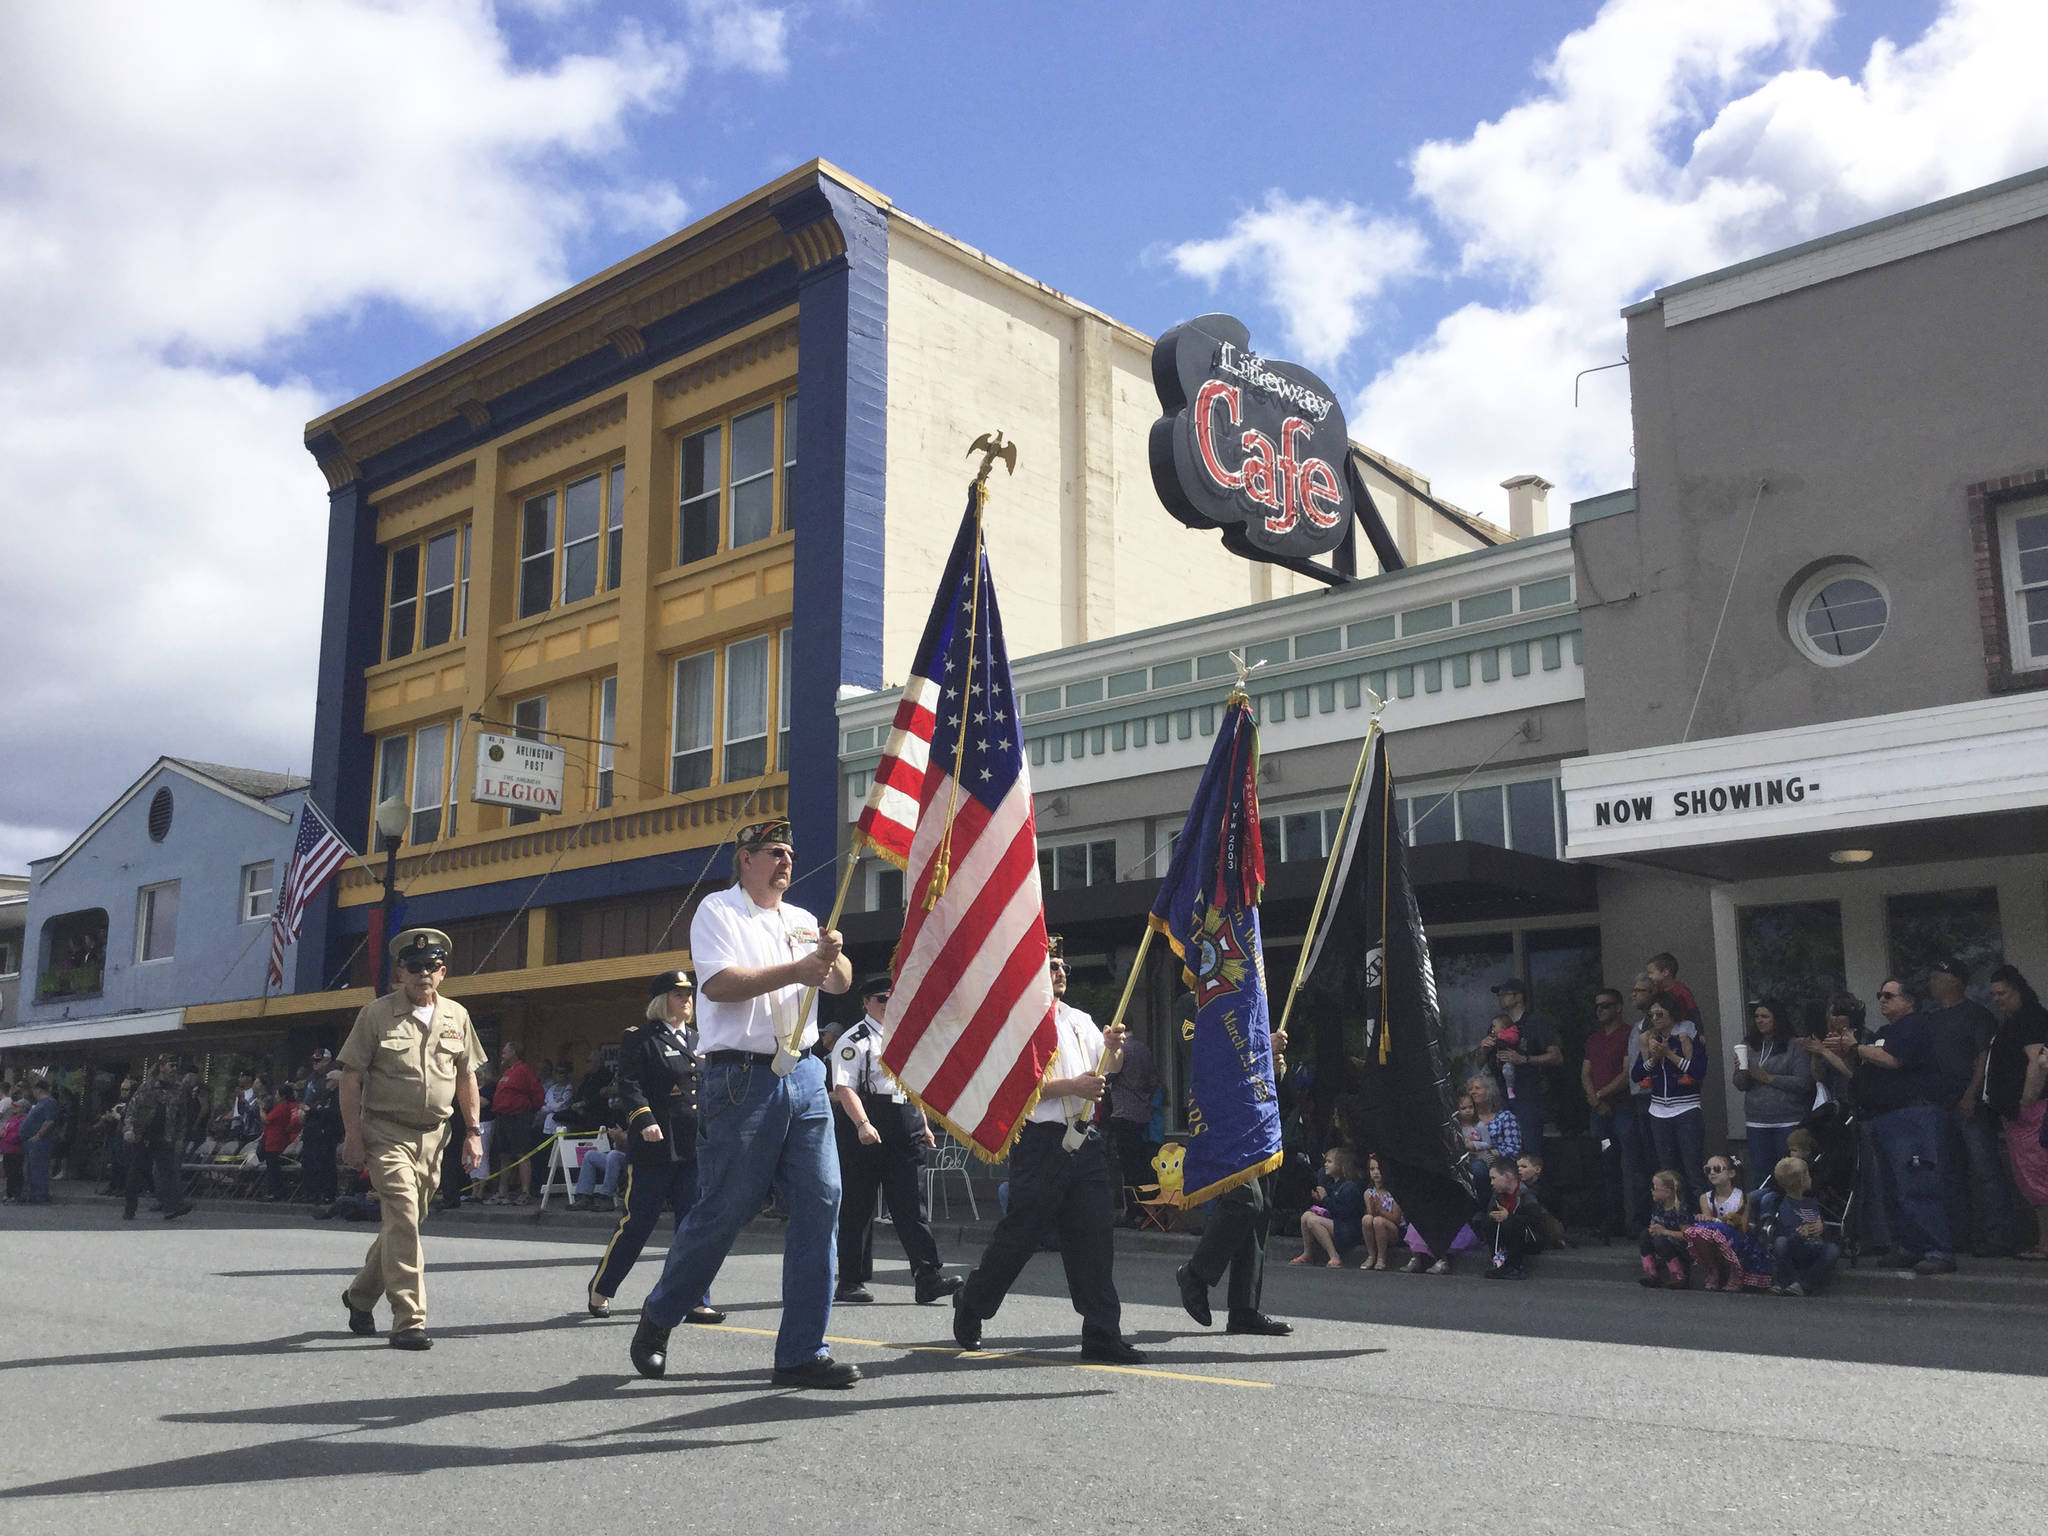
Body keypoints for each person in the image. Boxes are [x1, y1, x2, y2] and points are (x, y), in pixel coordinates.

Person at [630, 819, 856, 1390]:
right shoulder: (718, 911)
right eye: (776, 852)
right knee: (725, 1208)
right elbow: (720, 985)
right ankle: (660, 1314)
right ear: (745, 859)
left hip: (804, 1073)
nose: (787, 862)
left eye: (791, 853)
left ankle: (803, 1351)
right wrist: (799, 968)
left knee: (822, 1200)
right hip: (741, 1078)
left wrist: (831, 953)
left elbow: (839, 983)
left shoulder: (802, 920)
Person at [955, 937, 1147, 1363]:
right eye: (1051, 965)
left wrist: (1113, 1049)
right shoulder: (1017, 1023)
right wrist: (1072, 1086)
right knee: (1020, 1237)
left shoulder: (1079, 1019)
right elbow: (1014, 1088)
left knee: (1094, 1238)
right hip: (1040, 1141)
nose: (1059, 973)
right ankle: (973, 1301)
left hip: (1086, 1140)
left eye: (1062, 966)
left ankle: (1101, 1332)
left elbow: (1109, 1068)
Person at [335, 927, 486, 1350]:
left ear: (443, 972)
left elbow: (466, 1076)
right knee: (402, 1215)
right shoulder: (376, 1015)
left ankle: (360, 1296)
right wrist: (353, 1136)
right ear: (400, 973)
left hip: (436, 1136)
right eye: (414, 967)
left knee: (406, 1223)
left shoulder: (457, 1016)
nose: (424, 974)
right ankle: (409, 1319)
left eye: (432, 967)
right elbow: (351, 1077)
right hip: (386, 1132)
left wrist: (473, 1132)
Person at [588, 971, 722, 1323]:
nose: (687, 1000)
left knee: (693, 1225)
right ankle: (602, 1288)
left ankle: (693, 1298)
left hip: (692, 1144)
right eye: (679, 994)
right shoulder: (640, 1037)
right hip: (655, 1144)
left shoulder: (698, 1039)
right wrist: (644, 1119)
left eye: (690, 994)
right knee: (639, 1223)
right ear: (662, 999)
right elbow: (629, 1084)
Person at [830, 973, 961, 1307]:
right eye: (881, 999)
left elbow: (913, 1085)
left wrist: (924, 1123)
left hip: (905, 1121)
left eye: (892, 998)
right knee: (858, 1204)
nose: (888, 1005)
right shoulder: (854, 1040)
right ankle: (850, 1279)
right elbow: (845, 1088)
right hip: (870, 1119)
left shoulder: (905, 1038)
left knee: (910, 1204)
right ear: (866, 1003)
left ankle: (927, 1276)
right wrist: (862, 1123)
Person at [1174, 1012, 1293, 1338]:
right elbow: (1203, 1059)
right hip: (1220, 1122)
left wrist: (1272, 1067)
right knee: (1246, 1200)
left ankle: (1244, 1309)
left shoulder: (1250, 1005)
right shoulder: (1194, 1004)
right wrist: (1261, 1048)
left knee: (1261, 1207)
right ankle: (1195, 1274)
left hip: (1256, 1118)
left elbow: (1254, 1069)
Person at [1851, 977, 1956, 1276]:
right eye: (1879, 995)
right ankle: (1910, 1246)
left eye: (1889, 995)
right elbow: (1866, 1070)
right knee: (1894, 1187)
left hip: (1913, 1117)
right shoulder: (1886, 1031)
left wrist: (1857, 1047)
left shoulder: (1915, 1026)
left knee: (1917, 1181)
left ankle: (1938, 1250)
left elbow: (1894, 1060)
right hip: (1886, 1117)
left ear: (1910, 1001)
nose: (1882, 1000)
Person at [1923, 959, 2013, 1258]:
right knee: (1949, 1172)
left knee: (1985, 1169)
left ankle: (1999, 1236)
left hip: (1970, 1105)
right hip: (1939, 1104)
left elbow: (1983, 1056)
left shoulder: (1976, 1015)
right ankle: (1959, 1235)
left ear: (1954, 981)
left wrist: (1971, 1095)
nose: (1931, 982)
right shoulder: (1933, 1019)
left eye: (1937, 977)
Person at [1984, 964, 2048, 1259]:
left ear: (2018, 990)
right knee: (2030, 1176)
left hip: (2032, 1113)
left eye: (2003, 993)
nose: (1998, 999)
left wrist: (2025, 1101)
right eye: (1994, 994)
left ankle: (2045, 1242)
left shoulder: (2031, 1019)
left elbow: (2037, 1062)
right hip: (2017, 1113)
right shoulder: (2013, 1021)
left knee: (2039, 1174)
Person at [1632, 993, 1705, 1210]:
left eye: (1659, 1014)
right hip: (1658, 1111)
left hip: (1686, 1108)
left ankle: (1701, 1219)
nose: (1654, 1018)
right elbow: (1636, 1074)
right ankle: (1671, 1218)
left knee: (1692, 1168)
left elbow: (1698, 1071)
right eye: (1651, 1014)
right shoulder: (1651, 1039)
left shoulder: (1686, 1036)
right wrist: (1654, 1058)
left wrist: (1670, 1055)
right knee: (1666, 1171)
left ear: (1671, 1013)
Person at [1581, 987, 1642, 1235]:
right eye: (1597, 1006)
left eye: (1605, 1005)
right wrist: (1594, 1100)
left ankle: (1639, 1221)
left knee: (1633, 1164)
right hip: (1599, 1112)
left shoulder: (1629, 1034)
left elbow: (1628, 1073)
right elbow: (1585, 1072)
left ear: (1618, 1007)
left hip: (1624, 1108)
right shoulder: (1593, 1038)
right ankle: (1611, 1221)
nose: (1600, 1010)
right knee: (1605, 1164)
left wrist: (1601, 1094)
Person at [1733, 998, 1815, 1177]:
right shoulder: (1748, 1045)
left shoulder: (1794, 1046)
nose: (1759, 1020)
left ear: (1777, 1019)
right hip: (1757, 1120)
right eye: (1756, 1016)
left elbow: (1804, 1083)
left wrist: (1769, 1078)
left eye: (1765, 1016)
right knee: (1762, 1174)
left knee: (1788, 1174)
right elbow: (1740, 1085)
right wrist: (1743, 1072)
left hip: (1788, 1120)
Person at [1482, 978, 1560, 1156]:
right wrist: (1483, 1050)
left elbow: (1556, 1056)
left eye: (1504, 994)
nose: (1500, 997)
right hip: (1500, 1098)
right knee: (1502, 1153)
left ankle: (1534, 1184)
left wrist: (1524, 1059)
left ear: (1519, 997)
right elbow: (1481, 1062)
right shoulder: (1497, 1025)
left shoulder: (1534, 1023)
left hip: (1527, 1097)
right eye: (1499, 994)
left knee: (1530, 1152)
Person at [1683, 1154, 1772, 1291]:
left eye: (1717, 1169)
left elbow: (1742, 1227)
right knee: (1696, 1230)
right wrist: (1704, 1218)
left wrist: (1717, 1221)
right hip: (1717, 1239)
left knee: (1717, 1231)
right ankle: (1713, 1270)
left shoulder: (1742, 1197)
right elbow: (1707, 1226)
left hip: (1738, 1239)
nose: (1712, 1173)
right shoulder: (1705, 1198)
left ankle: (1734, 1272)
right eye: (1708, 1170)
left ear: (1731, 1173)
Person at [122, 1056, 194, 1219]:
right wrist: (129, 1129)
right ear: (162, 1067)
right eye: (171, 1065)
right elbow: (132, 1110)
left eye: (176, 1065)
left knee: (168, 1172)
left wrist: (180, 1138)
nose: (174, 1068)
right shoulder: (147, 1087)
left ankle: (172, 1206)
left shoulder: (178, 1089)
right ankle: (130, 1208)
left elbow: (182, 1117)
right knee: (137, 1172)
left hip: (166, 1136)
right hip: (144, 1136)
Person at [1105, 1015, 1160, 1223]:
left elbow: (1108, 1075)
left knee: (1128, 1166)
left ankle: (1132, 1211)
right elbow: (1153, 1080)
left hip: (1124, 1113)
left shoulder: (1122, 1050)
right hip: (1143, 1113)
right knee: (1143, 1164)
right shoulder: (1144, 1049)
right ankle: (1148, 1210)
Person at [1769, 1156, 1839, 1296]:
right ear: (1802, 1180)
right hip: (1794, 1246)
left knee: (1832, 1249)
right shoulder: (1783, 1204)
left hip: (1813, 1245)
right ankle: (1785, 1281)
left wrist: (1821, 1227)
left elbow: (1817, 1221)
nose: (1811, 1177)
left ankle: (1804, 1284)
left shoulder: (1810, 1201)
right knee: (1780, 1243)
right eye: (1808, 1174)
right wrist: (1799, 1235)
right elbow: (1785, 1231)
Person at [488, 1042, 544, 1205]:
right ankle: (502, 1192)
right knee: (504, 1155)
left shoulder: (524, 1070)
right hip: (503, 1117)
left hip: (518, 1117)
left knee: (522, 1154)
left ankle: (525, 1191)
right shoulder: (507, 1072)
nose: (502, 1054)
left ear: (514, 1053)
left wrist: (530, 1113)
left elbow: (537, 1094)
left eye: (505, 1051)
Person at [1292, 1146, 1363, 1268]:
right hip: (1336, 1225)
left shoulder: (1349, 1187)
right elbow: (1329, 1208)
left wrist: (1325, 1199)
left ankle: (1334, 1256)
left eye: (1329, 1162)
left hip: (1349, 1230)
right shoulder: (1331, 1184)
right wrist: (1319, 1201)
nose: (1326, 1165)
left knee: (1313, 1220)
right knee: (1306, 1216)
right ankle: (1308, 1253)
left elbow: (1345, 1213)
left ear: (1341, 1165)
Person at [1481, 1157, 1545, 1279]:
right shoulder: (1497, 1194)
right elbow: (1490, 1213)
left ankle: (1515, 1266)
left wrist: (1509, 1217)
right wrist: (1492, 1216)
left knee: (1509, 1223)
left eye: (1494, 1178)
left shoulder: (1526, 1194)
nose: (1491, 1182)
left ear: (1507, 1176)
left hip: (1529, 1238)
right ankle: (1499, 1262)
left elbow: (1536, 1222)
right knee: (1488, 1222)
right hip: (1506, 1234)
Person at [1639, 1169, 1692, 1288]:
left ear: (1668, 1192)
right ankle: (1651, 1273)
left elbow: (1687, 1236)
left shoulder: (1681, 1209)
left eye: (1655, 1188)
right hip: (1663, 1243)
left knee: (1660, 1239)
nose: (1652, 1191)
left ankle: (1678, 1275)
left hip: (1680, 1247)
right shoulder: (1658, 1206)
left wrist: (1664, 1231)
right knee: (1645, 1235)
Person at [299, 1069, 343, 1207]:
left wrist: (312, 1110)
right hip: (315, 1134)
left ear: (335, 1081)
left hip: (329, 1134)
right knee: (314, 1162)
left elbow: (330, 1112)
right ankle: (314, 1192)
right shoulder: (324, 1095)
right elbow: (317, 1107)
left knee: (327, 1165)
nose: (326, 1082)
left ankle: (328, 1194)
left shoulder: (338, 1096)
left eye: (329, 1079)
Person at [1359, 1155, 1404, 1270]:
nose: (1376, 1172)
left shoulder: (1394, 1192)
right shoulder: (1368, 1193)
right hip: (1375, 1229)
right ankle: (1371, 1255)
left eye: (1379, 1169)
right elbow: (1370, 1215)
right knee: (1366, 1219)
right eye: (1372, 1169)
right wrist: (1373, 1209)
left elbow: (1397, 1219)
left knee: (1378, 1221)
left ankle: (1381, 1258)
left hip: (1393, 1230)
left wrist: (1381, 1210)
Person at [1515, 1152, 1567, 1248]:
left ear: (1537, 1169)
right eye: (1517, 1167)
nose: (1519, 1170)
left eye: (1524, 1167)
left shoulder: (1545, 1189)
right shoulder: (1518, 1186)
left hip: (1549, 1225)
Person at [20, 1082, 61, 1204]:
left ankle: (40, 1196)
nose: (33, 1093)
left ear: (38, 1090)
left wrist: (38, 1135)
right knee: (32, 1168)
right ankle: (33, 1195)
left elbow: (49, 1121)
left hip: (40, 1141)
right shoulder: (39, 1103)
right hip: (30, 1141)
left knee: (39, 1169)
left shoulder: (49, 1102)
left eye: (34, 1090)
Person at [261, 1083, 300, 1201]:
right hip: (278, 1140)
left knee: (273, 1169)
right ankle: (276, 1192)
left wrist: (261, 1109)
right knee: (273, 1168)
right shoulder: (288, 1107)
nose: (275, 1096)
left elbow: (266, 1120)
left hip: (275, 1141)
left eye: (277, 1094)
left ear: (282, 1096)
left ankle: (274, 1192)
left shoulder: (282, 1107)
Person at [1645, 952, 1701, 1025]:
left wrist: (1700, 1034)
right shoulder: (1655, 990)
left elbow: (1693, 1013)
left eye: (1651, 973)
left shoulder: (1682, 991)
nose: (1649, 976)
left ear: (1665, 972)